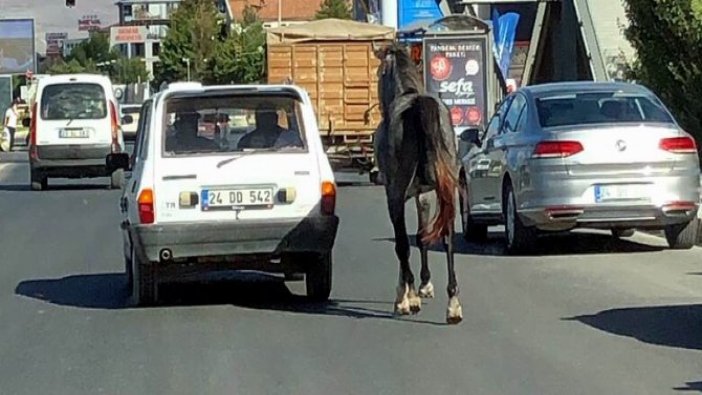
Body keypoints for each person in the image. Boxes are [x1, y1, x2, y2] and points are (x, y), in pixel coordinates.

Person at [237, 103, 303, 149]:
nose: (266, 119)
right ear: (256, 119)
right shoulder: (246, 141)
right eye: (262, 116)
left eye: (269, 115)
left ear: (276, 117)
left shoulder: (290, 137)